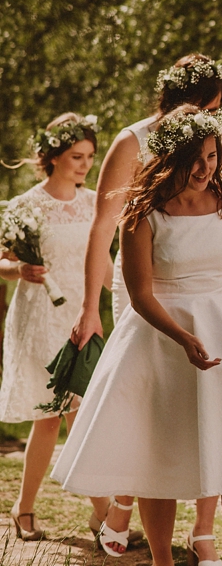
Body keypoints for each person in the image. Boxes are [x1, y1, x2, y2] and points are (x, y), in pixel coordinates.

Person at [52, 105, 222, 566]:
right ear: (169, 155)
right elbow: (139, 293)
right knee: (160, 458)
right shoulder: (142, 209)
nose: (205, 168)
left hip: (220, 329)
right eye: (195, 157)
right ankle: (162, 561)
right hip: (159, 338)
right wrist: (182, 337)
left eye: (213, 156)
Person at [70, 53, 222, 557]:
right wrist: (89, 304)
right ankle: (127, 498)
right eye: (206, 107)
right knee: (150, 407)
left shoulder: (217, 142)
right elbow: (104, 226)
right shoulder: (132, 140)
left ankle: (203, 530)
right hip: (146, 280)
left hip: (203, 280)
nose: (210, 121)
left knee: (211, 405)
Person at [0, 114, 111, 541]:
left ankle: (101, 512)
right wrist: (18, 269)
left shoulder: (95, 202)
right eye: (76, 157)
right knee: (50, 417)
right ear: (53, 156)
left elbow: (103, 262)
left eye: (89, 157)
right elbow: (4, 261)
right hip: (41, 317)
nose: (84, 165)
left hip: (83, 316)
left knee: (81, 413)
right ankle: (24, 509)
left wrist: (126, 297)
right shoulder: (27, 204)